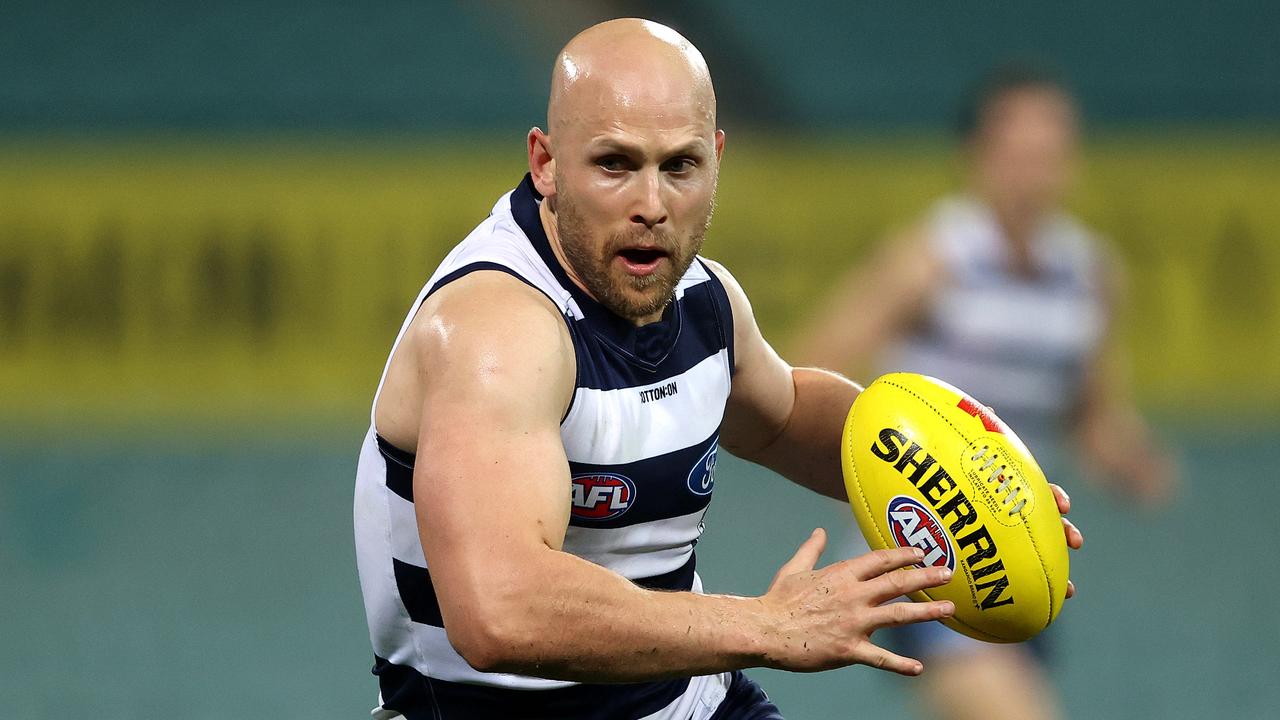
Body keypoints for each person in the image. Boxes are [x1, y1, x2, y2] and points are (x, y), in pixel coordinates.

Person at [353, 23, 1082, 720]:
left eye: (680, 166)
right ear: (544, 163)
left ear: (717, 159)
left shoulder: (705, 301)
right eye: (615, 164)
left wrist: (967, 484)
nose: (652, 205)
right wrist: (767, 624)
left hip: (688, 704)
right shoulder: (498, 331)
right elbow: (499, 611)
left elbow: (785, 417)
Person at [797, 65, 1173, 720]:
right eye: (1019, 152)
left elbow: (1093, 415)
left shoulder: (1090, 273)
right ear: (977, 156)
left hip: (1029, 550)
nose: (1035, 170)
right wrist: (888, 459)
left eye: (1050, 152)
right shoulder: (931, 259)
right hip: (927, 552)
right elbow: (809, 368)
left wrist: (1130, 460)